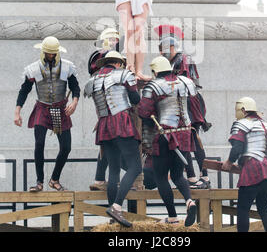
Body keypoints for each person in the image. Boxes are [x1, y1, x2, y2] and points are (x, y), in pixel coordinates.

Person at [14, 36, 80, 192]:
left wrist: (74, 102)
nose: (51, 56)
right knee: (39, 144)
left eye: (53, 53)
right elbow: (24, 91)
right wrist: (17, 112)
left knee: (66, 147)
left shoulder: (67, 67)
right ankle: (39, 182)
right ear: (43, 52)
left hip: (60, 108)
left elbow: (75, 87)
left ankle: (54, 179)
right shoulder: (34, 68)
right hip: (42, 108)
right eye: (48, 53)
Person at [84, 51, 141, 227]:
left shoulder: (92, 81)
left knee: (114, 170)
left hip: (104, 125)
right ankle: (116, 207)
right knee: (135, 167)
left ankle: (112, 215)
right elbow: (135, 99)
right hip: (121, 122)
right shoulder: (124, 75)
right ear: (117, 63)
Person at [138, 56, 198, 227]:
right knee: (178, 174)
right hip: (185, 133)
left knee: (161, 176)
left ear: (155, 71)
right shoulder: (186, 82)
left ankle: (172, 216)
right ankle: (189, 202)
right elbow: (194, 105)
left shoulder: (154, 86)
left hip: (165, 133)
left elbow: (143, 112)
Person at [155, 24, 211, 189]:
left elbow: (182, 83)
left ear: (172, 47)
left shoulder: (183, 59)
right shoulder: (175, 61)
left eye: (163, 49)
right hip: (183, 100)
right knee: (187, 139)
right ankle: (196, 176)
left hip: (189, 101)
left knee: (190, 137)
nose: (161, 52)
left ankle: (201, 176)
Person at [222, 97, 267, 232]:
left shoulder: (241, 124)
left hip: (253, 168)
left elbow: (237, 148)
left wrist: (229, 162)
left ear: (243, 109)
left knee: (243, 208)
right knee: (264, 208)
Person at [88, 27, 120, 191]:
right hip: (111, 106)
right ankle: (126, 178)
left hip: (114, 104)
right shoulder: (99, 58)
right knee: (112, 143)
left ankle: (101, 178)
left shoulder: (117, 56)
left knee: (109, 143)